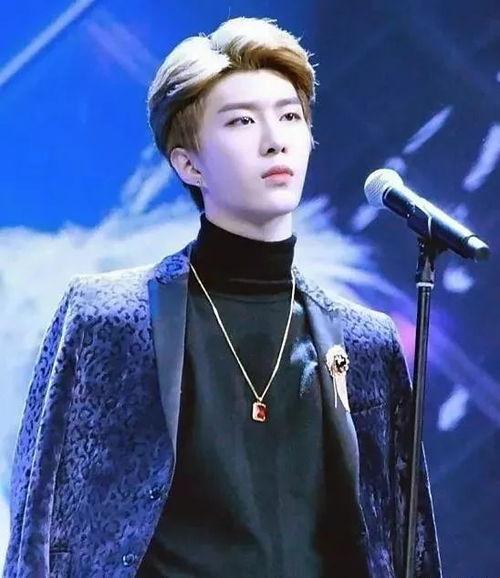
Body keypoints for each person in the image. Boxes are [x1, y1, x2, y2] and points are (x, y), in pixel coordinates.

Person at [3, 16, 441, 578]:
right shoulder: (107, 317)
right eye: (241, 121)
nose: (274, 139)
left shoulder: (364, 343)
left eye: (289, 116)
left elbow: (406, 542)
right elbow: (39, 523)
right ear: (188, 163)